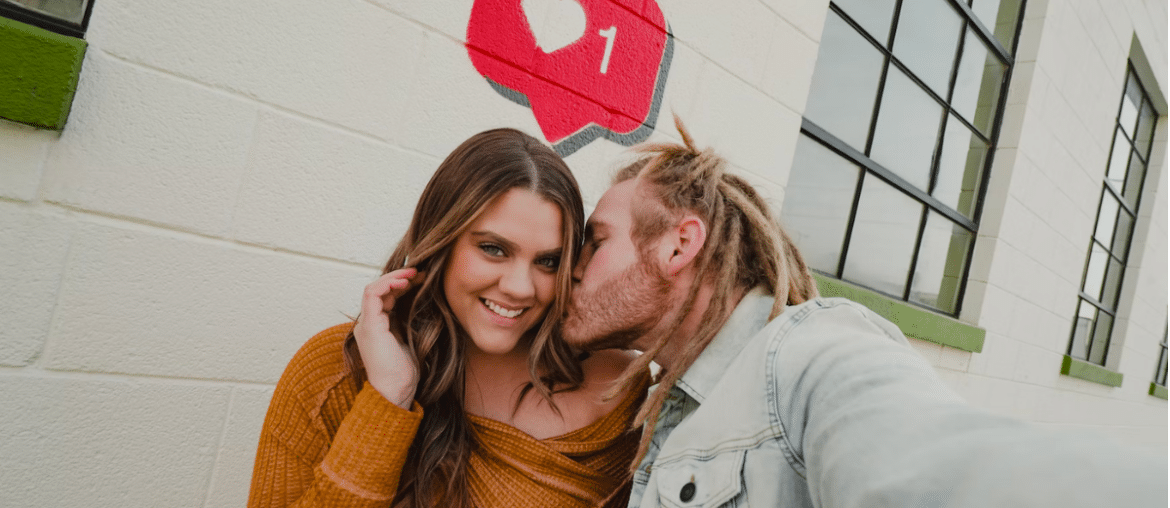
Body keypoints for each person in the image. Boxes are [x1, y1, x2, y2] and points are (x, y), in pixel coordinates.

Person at [562, 117, 1167, 508]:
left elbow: (961, 474)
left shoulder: (808, 358)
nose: (574, 265)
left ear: (678, 245)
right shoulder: (678, 401)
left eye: (597, 239)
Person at [248, 128, 649, 508]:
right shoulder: (334, 370)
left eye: (548, 261)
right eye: (493, 249)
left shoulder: (615, 388)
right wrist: (388, 399)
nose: (520, 287)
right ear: (441, 241)